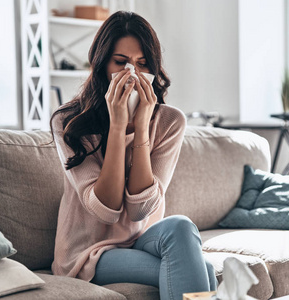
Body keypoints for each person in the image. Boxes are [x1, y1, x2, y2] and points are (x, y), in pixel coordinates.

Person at [50, 10, 217, 300]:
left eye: (142, 64)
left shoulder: (169, 122)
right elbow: (106, 208)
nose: (132, 74)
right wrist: (117, 126)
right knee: (204, 272)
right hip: (89, 252)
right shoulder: (68, 122)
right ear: (101, 64)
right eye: (121, 62)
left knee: (181, 226)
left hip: (141, 240)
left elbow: (141, 210)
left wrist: (141, 127)